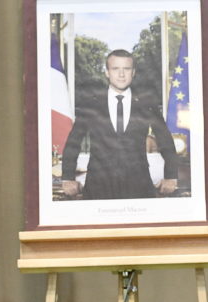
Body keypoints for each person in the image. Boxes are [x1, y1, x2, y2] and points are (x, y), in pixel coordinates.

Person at [61, 49, 179, 200]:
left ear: (133, 72)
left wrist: (171, 176)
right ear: (107, 72)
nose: (121, 74)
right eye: (116, 69)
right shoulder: (91, 103)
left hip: (139, 186)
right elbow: (73, 143)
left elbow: (165, 141)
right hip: (98, 187)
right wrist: (67, 178)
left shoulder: (146, 101)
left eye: (126, 69)